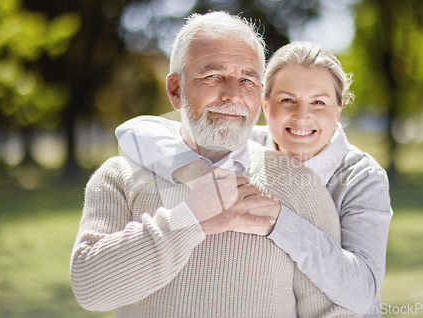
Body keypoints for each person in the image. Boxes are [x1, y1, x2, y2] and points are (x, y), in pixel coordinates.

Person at [71, 12, 350, 317]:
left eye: (247, 79)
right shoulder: (119, 177)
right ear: (176, 90)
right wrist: (189, 219)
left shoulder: (298, 182)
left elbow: (333, 310)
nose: (233, 94)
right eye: (213, 76)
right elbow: (90, 289)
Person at [115, 41, 393, 316]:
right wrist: (197, 175)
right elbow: (135, 130)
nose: (302, 116)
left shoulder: (362, 177)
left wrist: (279, 222)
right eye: (288, 100)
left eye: (319, 102)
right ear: (265, 104)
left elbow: (363, 292)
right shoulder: (246, 146)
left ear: (338, 108)